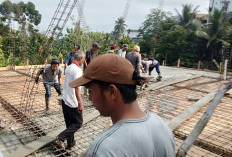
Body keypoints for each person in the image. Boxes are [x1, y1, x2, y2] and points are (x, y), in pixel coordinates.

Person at [69, 54, 175, 157]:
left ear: (112, 92)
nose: (90, 98)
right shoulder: (161, 124)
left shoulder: (104, 149)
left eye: (91, 91)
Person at [56, 51, 85, 150]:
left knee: (70, 123)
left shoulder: (68, 67)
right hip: (72, 101)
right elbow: (77, 87)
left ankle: (71, 143)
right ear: (80, 58)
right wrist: (80, 103)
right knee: (78, 123)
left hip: (65, 99)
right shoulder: (77, 70)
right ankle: (61, 137)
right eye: (84, 59)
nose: (84, 61)